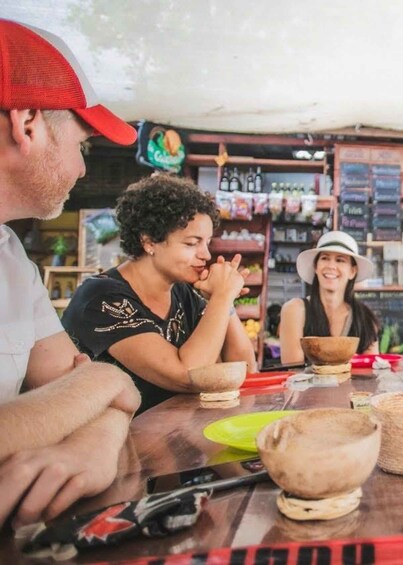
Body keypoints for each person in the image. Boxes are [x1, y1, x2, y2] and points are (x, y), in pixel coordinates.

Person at [0, 19, 141, 528]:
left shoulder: (10, 255)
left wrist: (92, 443)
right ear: (28, 123)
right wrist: (102, 380)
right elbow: (94, 384)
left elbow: (78, 387)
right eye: (81, 145)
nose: (83, 169)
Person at [62, 175, 257, 414]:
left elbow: (245, 370)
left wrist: (225, 302)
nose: (206, 255)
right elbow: (189, 375)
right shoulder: (103, 298)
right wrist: (222, 296)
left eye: (206, 242)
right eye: (191, 243)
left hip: (170, 438)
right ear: (149, 241)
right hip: (107, 444)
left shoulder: (184, 292)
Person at [279, 231, 379, 364]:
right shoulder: (295, 310)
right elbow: (292, 371)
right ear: (316, 266)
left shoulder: (365, 318)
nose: (331, 266)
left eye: (340, 260)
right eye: (325, 258)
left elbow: (371, 372)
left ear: (352, 271)